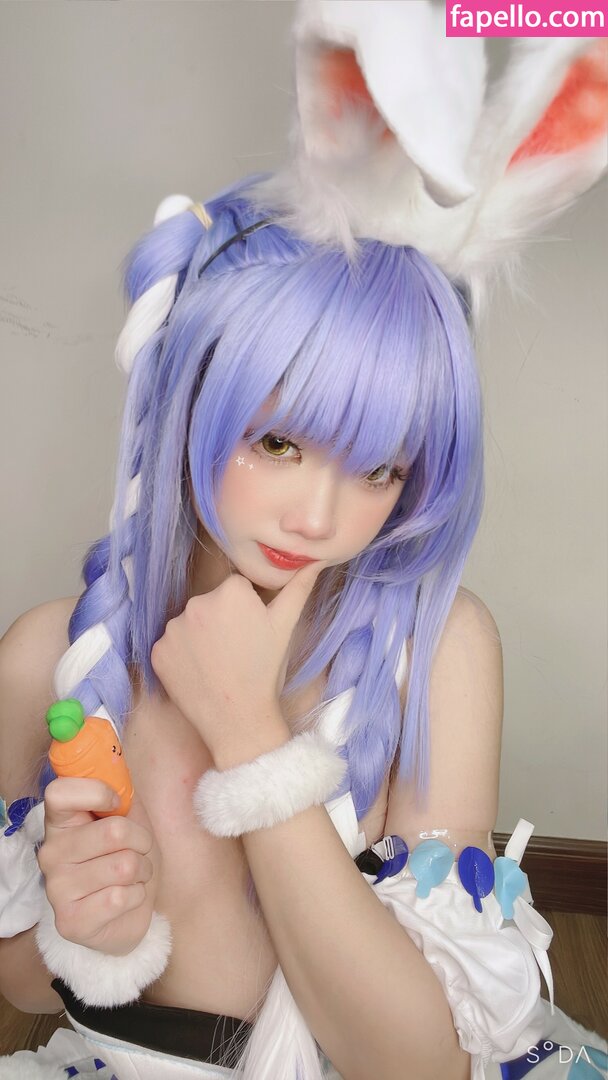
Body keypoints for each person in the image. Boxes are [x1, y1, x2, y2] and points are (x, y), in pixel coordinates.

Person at [0, 5, 607, 1080]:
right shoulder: (47, 654)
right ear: (189, 401)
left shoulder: (437, 648)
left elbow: (418, 1066)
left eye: (379, 468)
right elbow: (15, 980)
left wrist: (250, 739)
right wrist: (83, 931)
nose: (320, 520)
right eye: (278, 442)